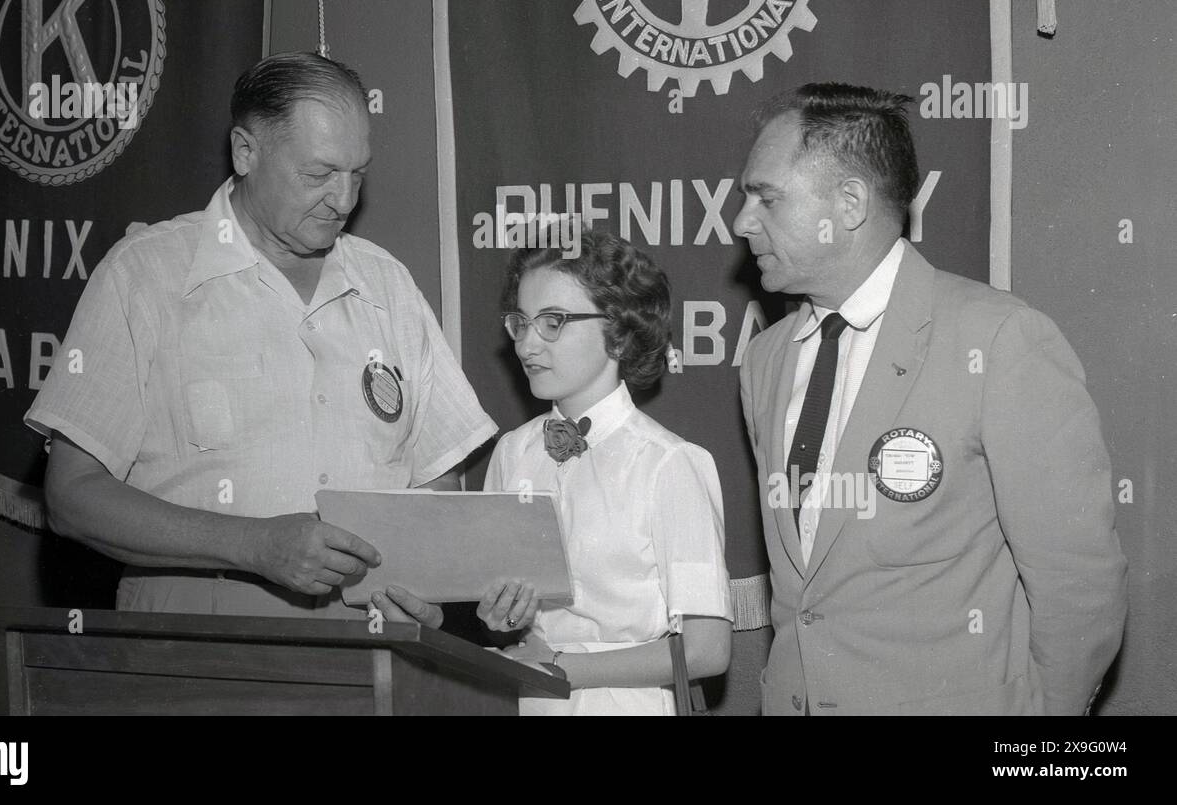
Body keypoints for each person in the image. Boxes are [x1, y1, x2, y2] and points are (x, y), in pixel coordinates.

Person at [29, 52, 495, 625]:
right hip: (202, 651)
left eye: (358, 173)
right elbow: (72, 497)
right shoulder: (144, 276)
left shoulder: (388, 285)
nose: (344, 200)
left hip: (374, 651)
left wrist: (424, 578)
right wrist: (252, 545)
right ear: (245, 152)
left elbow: (437, 477)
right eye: (318, 174)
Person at [734, 82, 1127, 715]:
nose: (742, 221)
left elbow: (1080, 591)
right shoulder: (766, 359)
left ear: (851, 202)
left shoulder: (1000, 341)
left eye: (766, 198)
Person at [479, 230, 733, 715]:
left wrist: (561, 665)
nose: (527, 344)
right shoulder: (512, 454)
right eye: (521, 322)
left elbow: (707, 650)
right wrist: (501, 619)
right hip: (530, 702)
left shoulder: (670, 463)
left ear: (618, 331)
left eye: (552, 321)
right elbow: (510, 625)